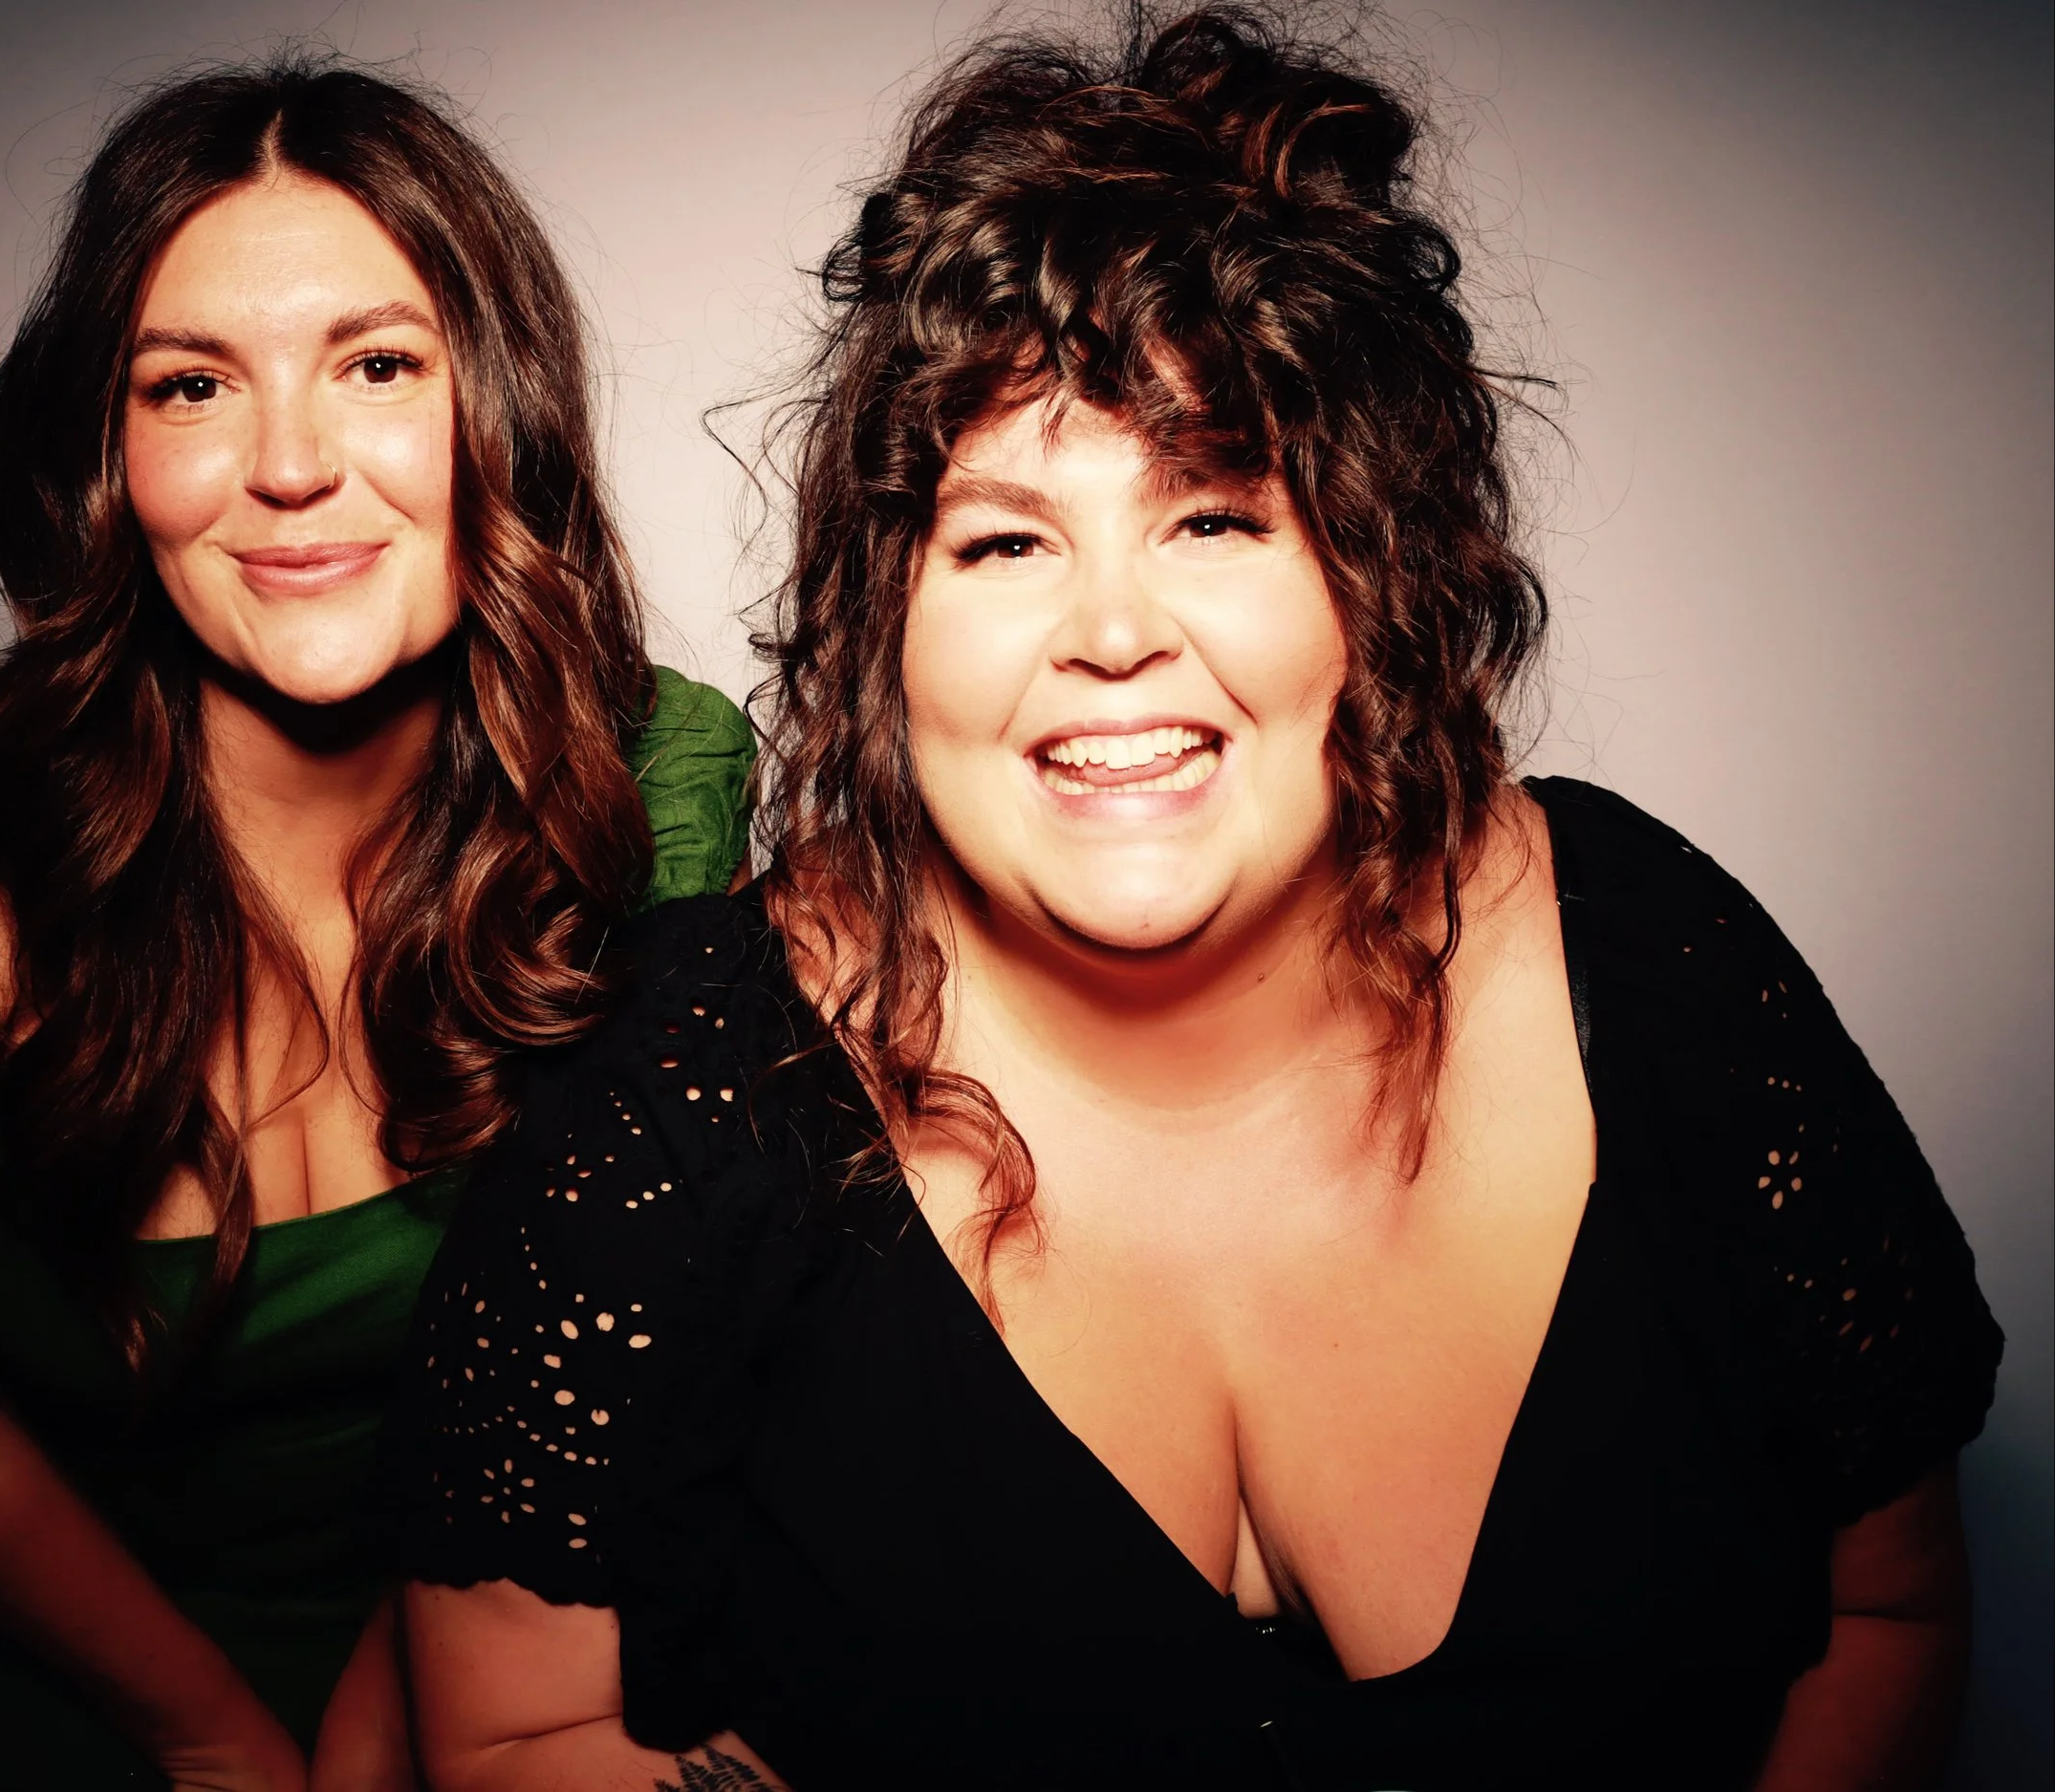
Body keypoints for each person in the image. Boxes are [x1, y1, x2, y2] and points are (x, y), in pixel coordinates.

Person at [379, 10, 2003, 1790]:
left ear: (1375, 572)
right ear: (882, 627)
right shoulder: (680, 1089)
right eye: (1004, 540)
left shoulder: (1658, 957)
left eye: (1215, 516)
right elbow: (515, 1719)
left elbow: (1891, 1615)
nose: (1112, 631)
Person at [0, 59, 752, 1792]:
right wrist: (215, 1746)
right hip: (107, 1710)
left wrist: (383, 1732)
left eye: (378, 365)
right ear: (105, 454)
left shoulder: (658, 792)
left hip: (525, 1689)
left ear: (500, 407)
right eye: (192, 385)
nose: (289, 466)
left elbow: (627, 1380)